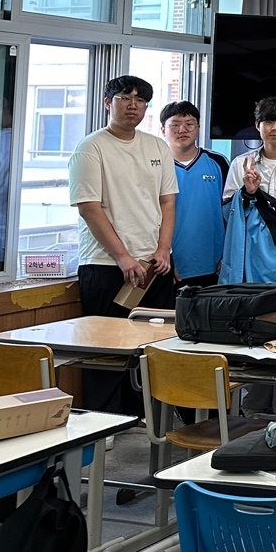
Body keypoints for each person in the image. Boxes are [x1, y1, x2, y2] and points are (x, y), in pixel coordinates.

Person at [69, 76, 177, 411]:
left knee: (153, 346)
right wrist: (123, 257)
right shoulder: (91, 147)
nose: (133, 105)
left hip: (154, 265)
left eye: (140, 100)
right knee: (105, 350)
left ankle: (139, 417)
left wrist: (163, 249)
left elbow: (167, 201)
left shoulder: (157, 146)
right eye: (124, 98)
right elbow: (89, 207)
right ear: (107, 102)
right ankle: (102, 424)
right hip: (105, 264)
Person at [159, 100, 228, 288]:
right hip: (168, 265)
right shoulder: (156, 166)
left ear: (198, 128)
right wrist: (163, 259)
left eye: (189, 124)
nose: (182, 130)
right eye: (175, 125)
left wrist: (228, 256)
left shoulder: (218, 162)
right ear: (163, 130)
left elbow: (231, 214)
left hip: (213, 265)